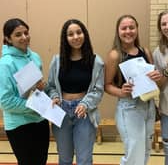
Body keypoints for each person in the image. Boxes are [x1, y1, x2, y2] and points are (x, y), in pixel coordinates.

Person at [104, 14, 161, 165]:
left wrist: (156, 75)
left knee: (146, 150)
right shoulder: (115, 55)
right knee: (133, 153)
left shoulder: (145, 51)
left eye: (132, 27)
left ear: (137, 29)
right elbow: (107, 85)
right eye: (124, 28)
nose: (128, 31)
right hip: (129, 108)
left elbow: (153, 79)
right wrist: (121, 92)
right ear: (118, 31)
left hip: (148, 106)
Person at [47, 19, 104, 165]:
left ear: (84, 34)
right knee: (64, 158)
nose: (76, 37)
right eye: (70, 34)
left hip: (84, 113)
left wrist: (85, 104)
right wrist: (54, 96)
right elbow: (51, 86)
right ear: (65, 39)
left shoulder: (96, 61)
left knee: (84, 159)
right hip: (61, 112)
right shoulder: (57, 61)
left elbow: (98, 90)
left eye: (79, 32)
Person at [0, 18, 49, 165]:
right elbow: (6, 101)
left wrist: (42, 90)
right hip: (19, 125)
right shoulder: (5, 64)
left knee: (41, 162)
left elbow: (37, 90)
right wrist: (33, 106)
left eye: (26, 33)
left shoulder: (35, 57)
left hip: (39, 120)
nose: (24, 37)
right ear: (8, 38)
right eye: (18, 34)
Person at [152, 10, 168, 165]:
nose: (167, 27)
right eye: (163, 24)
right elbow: (159, 85)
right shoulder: (158, 52)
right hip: (167, 108)